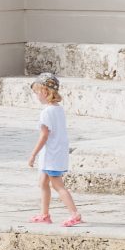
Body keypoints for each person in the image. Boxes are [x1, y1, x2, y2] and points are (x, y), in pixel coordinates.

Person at [27, 75, 83, 226]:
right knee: (43, 183)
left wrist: (33, 154)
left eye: (37, 92)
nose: (36, 96)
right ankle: (44, 214)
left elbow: (44, 135)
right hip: (56, 152)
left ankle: (74, 214)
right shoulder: (58, 109)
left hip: (52, 154)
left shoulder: (46, 112)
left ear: (45, 92)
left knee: (57, 185)